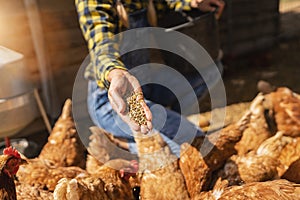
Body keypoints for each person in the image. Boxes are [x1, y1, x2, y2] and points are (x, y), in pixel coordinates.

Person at [75, 0, 225, 157]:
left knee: (211, 71)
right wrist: (116, 73)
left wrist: (192, 3)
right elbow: (101, 48)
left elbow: (166, 3)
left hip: (145, 85)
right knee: (188, 146)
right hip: (114, 102)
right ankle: (123, 145)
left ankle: (165, 125)